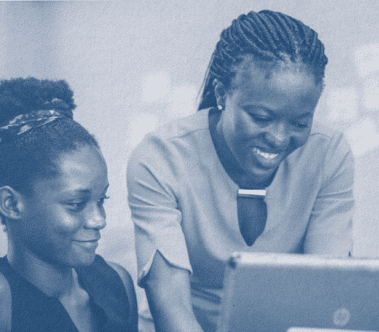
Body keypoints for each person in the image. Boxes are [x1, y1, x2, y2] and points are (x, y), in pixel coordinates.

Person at [127, 10, 354, 332]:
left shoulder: (329, 153)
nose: (278, 137)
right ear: (222, 94)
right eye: (261, 117)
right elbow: (170, 301)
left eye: (300, 123)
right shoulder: (161, 157)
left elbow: (326, 289)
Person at [0, 77, 138, 332]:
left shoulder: (116, 283)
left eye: (101, 200)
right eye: (76, 203)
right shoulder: (3, 305)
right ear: (11, 204)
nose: (99, 219)